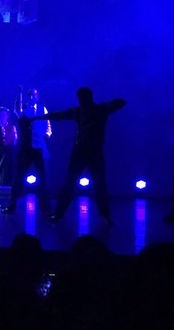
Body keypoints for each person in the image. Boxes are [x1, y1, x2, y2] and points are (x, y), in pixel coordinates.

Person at [31, 87, 126, 227]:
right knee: (86, 183)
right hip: (87, 151)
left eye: (81, 98)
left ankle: (62, 214)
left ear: (85, 98)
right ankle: (64, 214)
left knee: (82, 183)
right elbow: (58, 115)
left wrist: (35, 118)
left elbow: (58, 115)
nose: (81, 101)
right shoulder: (92, 110)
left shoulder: (90, 110)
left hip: (86, 151)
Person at [3, 86, 52, 213]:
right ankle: (11, 205)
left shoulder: (43, 109)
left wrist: (46, 135)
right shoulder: (22, 109)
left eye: (33, 95)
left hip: (39, 148)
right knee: (19, 177)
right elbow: (16, 108)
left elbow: (48, 125)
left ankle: (45, 206)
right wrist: (19, 93)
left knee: (43, 177)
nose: (31, 97)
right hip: (25, 148)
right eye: (29, 95)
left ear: (37, 96)